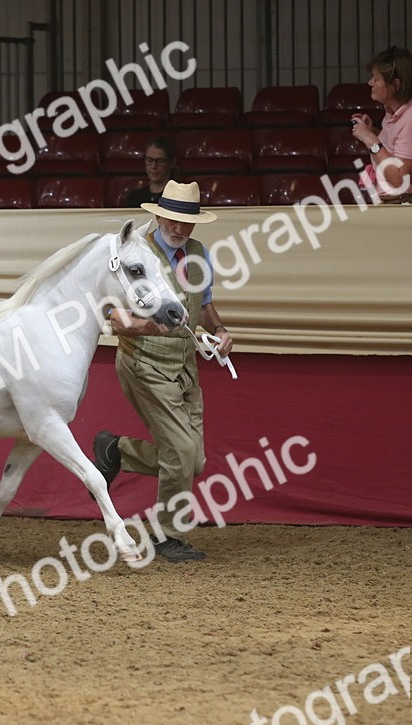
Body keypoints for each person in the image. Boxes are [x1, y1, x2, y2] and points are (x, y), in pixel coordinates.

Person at [92, 180, 233, 562]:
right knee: (183, 452)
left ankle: (115, 450)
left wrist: (219, 330)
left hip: (184, 366)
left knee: (194, 461)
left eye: (187, 222)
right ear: (157, 216)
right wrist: (156, 327)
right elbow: (115, 320)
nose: (180, 228)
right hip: (144, 363)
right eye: (172, 219)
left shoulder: (198, 254)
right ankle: (165, 535)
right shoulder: (135, 252)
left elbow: (202, 305)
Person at [350, 46, 412, 203]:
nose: (370, 83)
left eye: (376, 79)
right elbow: (396, 148)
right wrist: (373, 131)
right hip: (396, 200)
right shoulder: (394, 109)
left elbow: (399, 179)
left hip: (409, 201)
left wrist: (370, 139)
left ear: (396, 85)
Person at [124, 136, 178, 207]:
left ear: (172, 162)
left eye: (160, 161)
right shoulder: (134, 197)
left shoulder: (179, 196)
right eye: (149, 160)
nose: (153, 166)